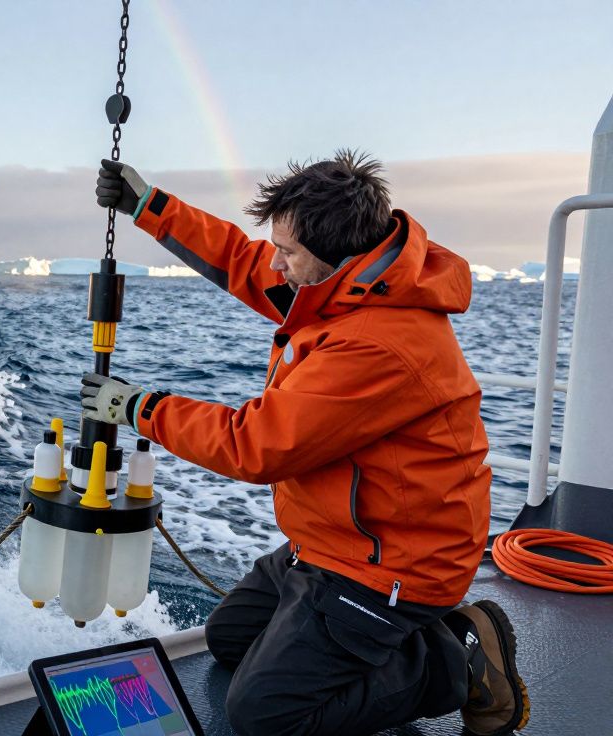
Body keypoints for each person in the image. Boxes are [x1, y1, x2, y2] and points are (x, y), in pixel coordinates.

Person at [83, 151, 528, 736]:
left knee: (263, 716)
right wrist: (149, 206)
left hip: (393, 565)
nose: (277, 264)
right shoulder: (346, 287)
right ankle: (365, 641)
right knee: (230, 638)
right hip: (333, 544)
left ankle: (455, 658)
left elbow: (256, 446)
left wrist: (141, 407)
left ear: (336, 257)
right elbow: (243, 263)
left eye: (288, 253)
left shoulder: (377, 343)